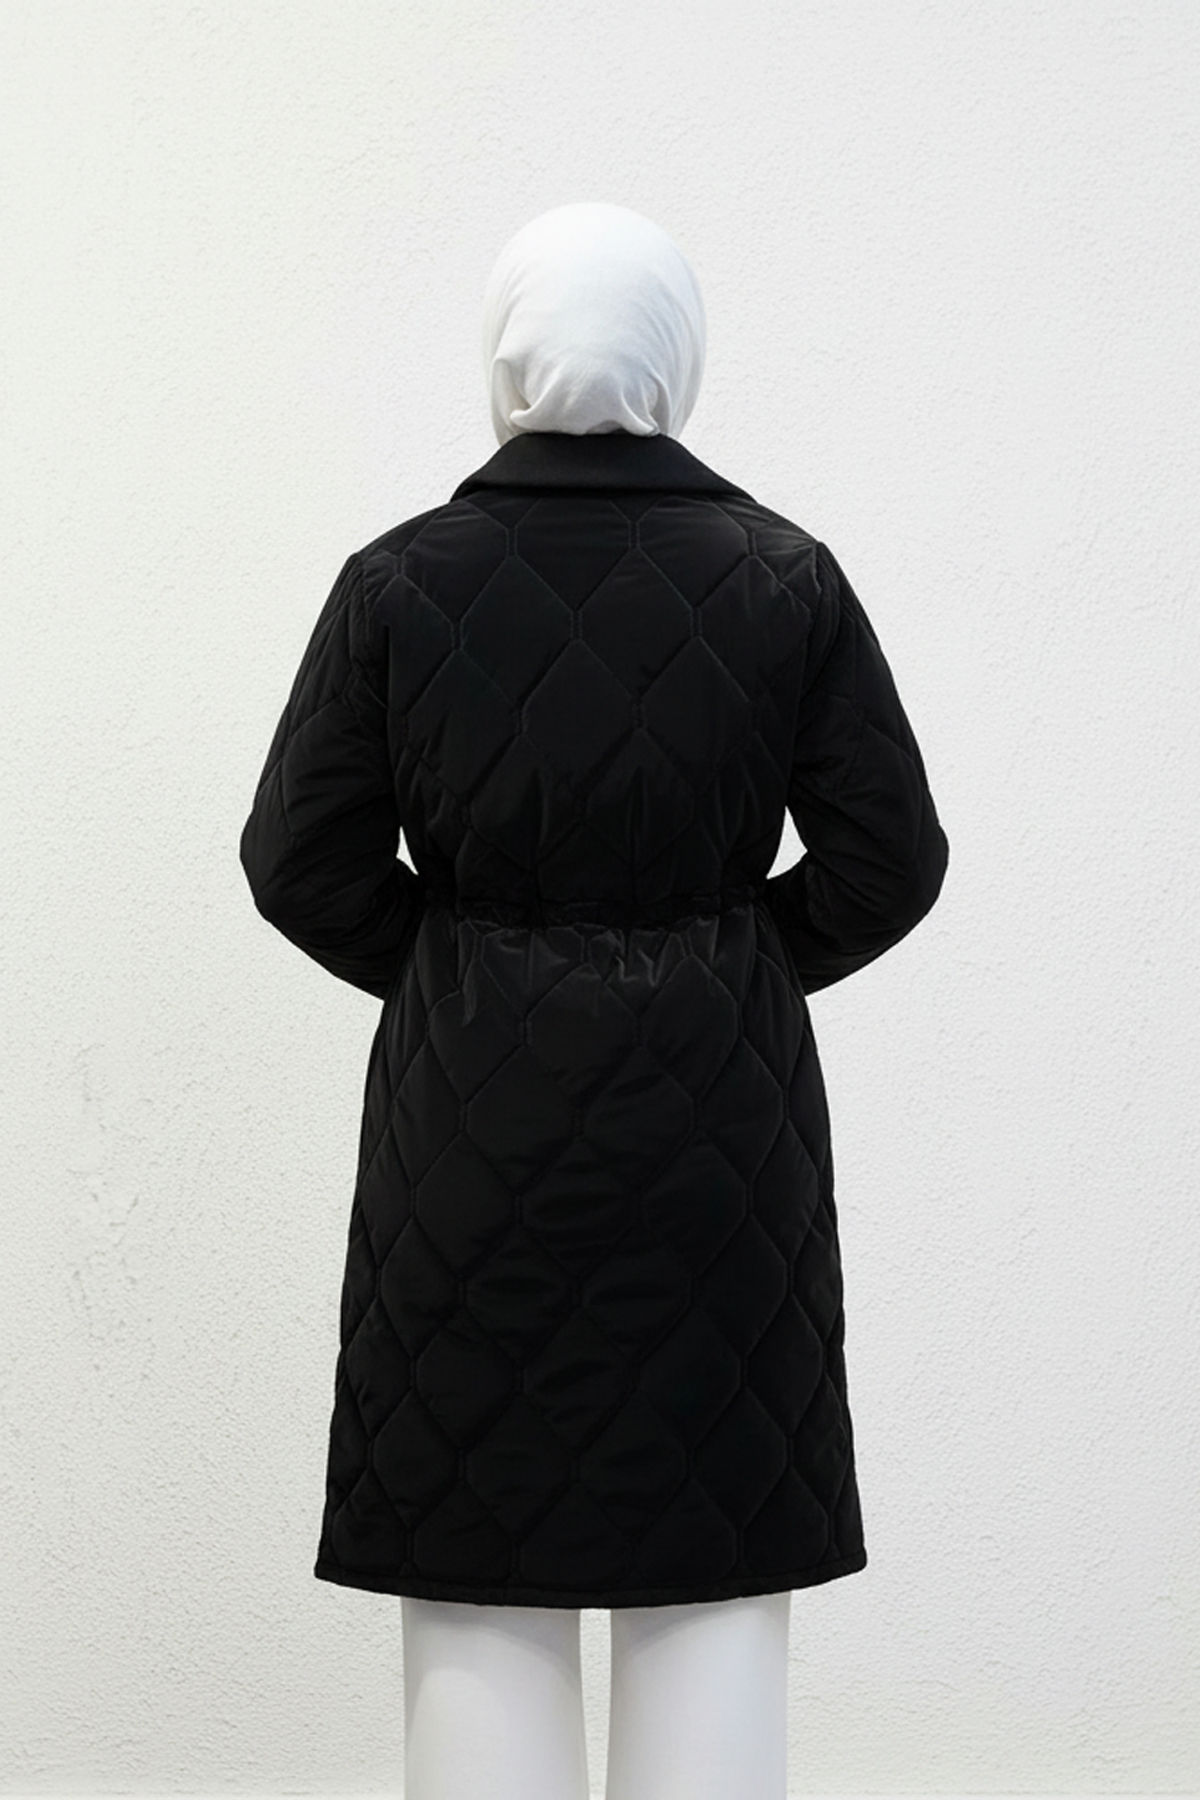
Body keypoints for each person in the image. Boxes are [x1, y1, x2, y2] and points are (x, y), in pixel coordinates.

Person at [239, 201, 949, 1800]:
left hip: (465, 1147)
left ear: (503, 355)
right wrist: (732, 964)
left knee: (476, 1559)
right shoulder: (786, 580)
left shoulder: (397, 583)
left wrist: (460, 972)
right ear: (678, 359)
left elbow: (298, 860)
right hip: (722, 1149)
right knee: (714, 1561)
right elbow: (890, 860)